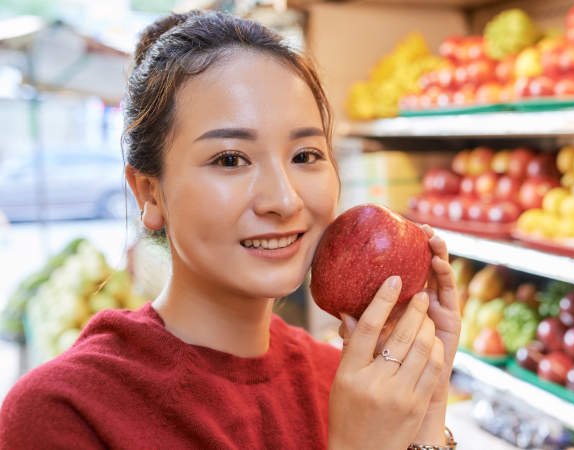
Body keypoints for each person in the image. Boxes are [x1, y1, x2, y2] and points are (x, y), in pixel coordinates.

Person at [0, 11, 461, 449]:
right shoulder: (63, 413)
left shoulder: (343, 379)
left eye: (305, 156)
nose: (284, 200)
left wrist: (426, 413)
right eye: (230, 159)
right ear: (149, 194)